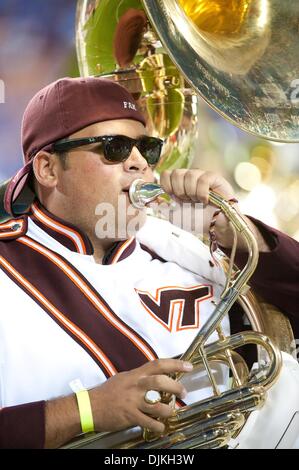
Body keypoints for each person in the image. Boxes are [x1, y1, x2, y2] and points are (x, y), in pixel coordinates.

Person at [0, 77, 298, 449]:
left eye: (148, 148)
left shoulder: (184, 246)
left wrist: (241, 235)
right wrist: (86, 410)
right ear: (47, 169)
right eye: (114, 148)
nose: (139, 163)